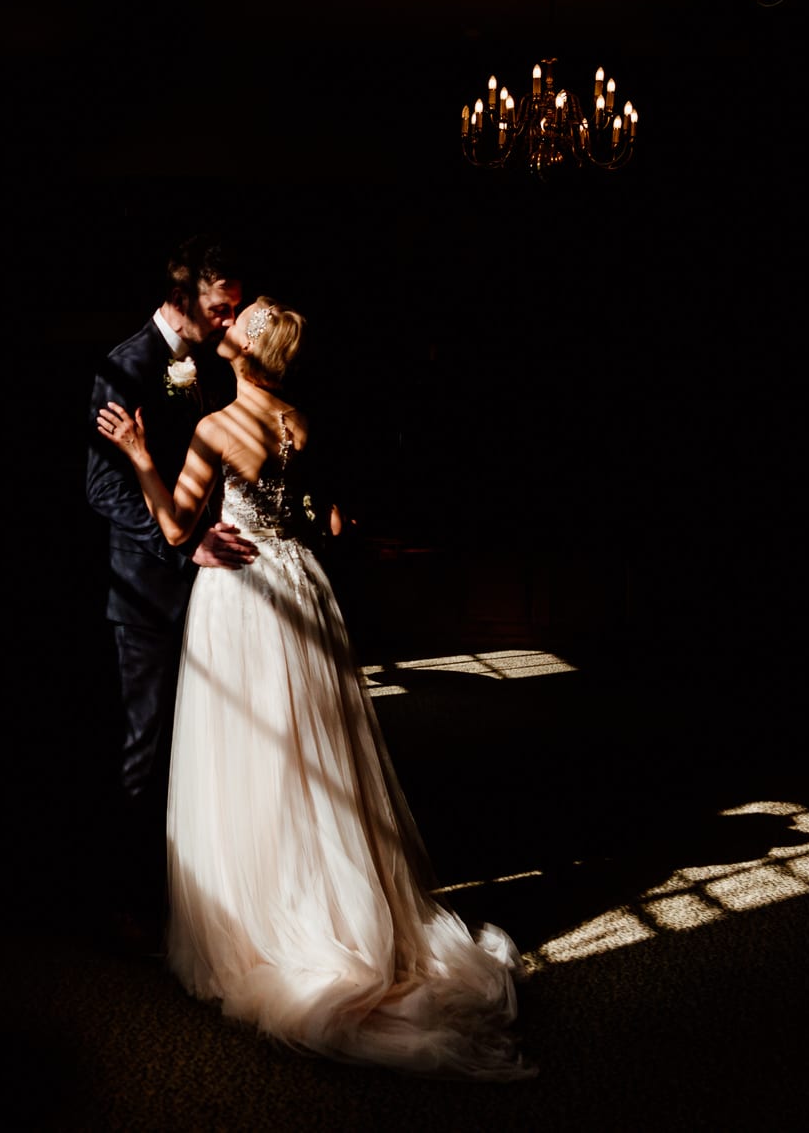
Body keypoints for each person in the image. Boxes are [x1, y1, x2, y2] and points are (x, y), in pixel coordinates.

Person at [96, 297, 534, 1081]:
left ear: (252, 351)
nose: (228, 323)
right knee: (314, 754)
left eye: (245, 319)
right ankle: (341, 901)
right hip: (302, 585)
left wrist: (137, 452)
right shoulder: (299, 421)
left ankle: (274, 921)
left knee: (255, 759)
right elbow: (326, 521)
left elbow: (170, 528)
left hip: (243, 598)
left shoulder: (215, 429)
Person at [85, 236, 257, 954]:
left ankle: (198, 896)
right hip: (149, 597)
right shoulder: (125, 365)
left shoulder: (205, 369)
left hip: (208, 593)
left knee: (205, 747)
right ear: (185, 301)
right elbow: (101, 490)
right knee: (143, 750)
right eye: (223, 309)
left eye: (237, 311)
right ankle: (127, 903)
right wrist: (187, 546)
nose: (230, 322)